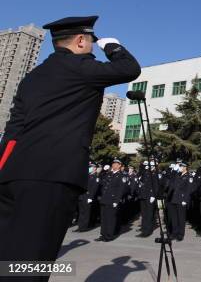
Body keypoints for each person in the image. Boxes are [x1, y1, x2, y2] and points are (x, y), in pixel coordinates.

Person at [0, 16, 140, 265]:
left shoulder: (33, 76)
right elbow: (130, 68)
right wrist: (112, 46)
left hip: (12, 174)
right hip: (51, 177)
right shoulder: (81, 68)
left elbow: (13, 130)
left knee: (8, 250)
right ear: (79, 40)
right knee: (33, 257)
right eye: (90, 41)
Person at [75, 162, 100, 232]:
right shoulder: (87, 176)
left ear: (95, 168)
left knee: (86, 213)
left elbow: (94, 188)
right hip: (82, 196)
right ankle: (80, 226)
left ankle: (83, 227)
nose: (90, 168)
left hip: (88, 197)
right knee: (81, 212)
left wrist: (90, 197)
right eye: (90, 167)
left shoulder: (96, 177)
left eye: (91, 167)